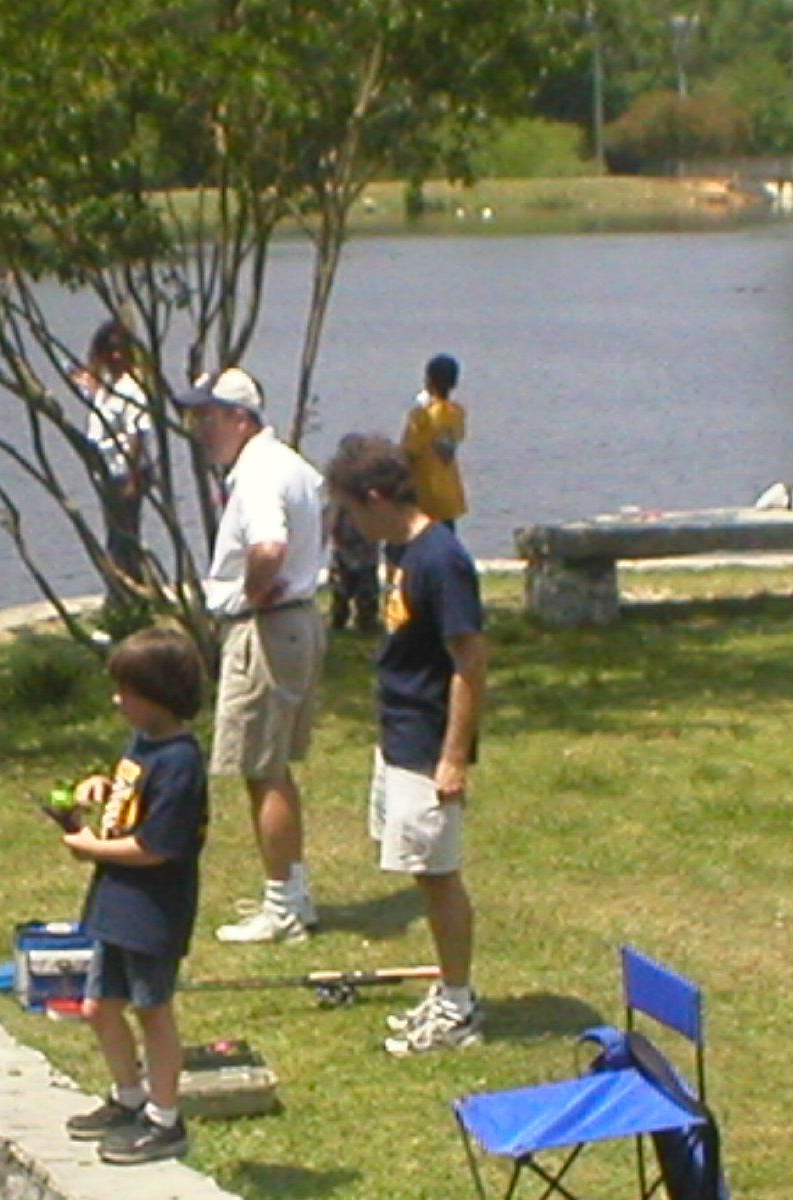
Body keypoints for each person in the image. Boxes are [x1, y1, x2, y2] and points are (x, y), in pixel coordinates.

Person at [324, 434, 488, 1056]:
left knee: (437, 872)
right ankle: (448, 988)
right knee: (421, 871)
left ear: (374, 498)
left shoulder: (440, 558)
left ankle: (458, 1005)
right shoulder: (407, 553)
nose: (351, 526)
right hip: (398, 735)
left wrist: (451, 756)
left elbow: (470, 659)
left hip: (426, 741)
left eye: (352, 512)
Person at [175, 367, 326, 944]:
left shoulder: (258, 475)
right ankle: (292, 890)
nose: (200, 430)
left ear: (240, 417)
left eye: (208, 417)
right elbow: (323, 509)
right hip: (297, 621)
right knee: (273, 765)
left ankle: (282, 904)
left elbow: (269, 545)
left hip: (266, 626)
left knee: (261, 769)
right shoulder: (290, 464)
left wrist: (258, 587)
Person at [59, 627, 207, 1165]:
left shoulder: (181, 762)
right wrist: (102, 786)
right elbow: (131, 801)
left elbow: (154, 847)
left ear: (160, 693)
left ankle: (165, 1120)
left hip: (153, 908)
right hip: (115, 902)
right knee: (99, 1007)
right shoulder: (143, 743)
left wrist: (92, 847)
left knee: (153, 1010)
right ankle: (128, 1098)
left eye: (127, 690)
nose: (117, 699)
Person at [73, 319, 153, 592]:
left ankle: (129, 594)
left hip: (125, 472)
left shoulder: (132, 388)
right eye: (110, 350)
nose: (116, 356)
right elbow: (86, 386)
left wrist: (131, 479)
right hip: (107, 471)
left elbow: (138, 434)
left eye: (121, 350)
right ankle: (123, 593)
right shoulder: (106, 386)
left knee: (124, 540)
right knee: (116, 537)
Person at [402, 353, 467, 530]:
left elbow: (409, 452)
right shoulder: (458, 413)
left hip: (425, 496)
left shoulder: (422, 416)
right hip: (449, 495)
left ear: (428, 380)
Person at [327, 501, 381, 634]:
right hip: (345, 547)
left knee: (366, 590)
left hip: (366, 547)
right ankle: (339, 621)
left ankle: (366, 623)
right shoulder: (342, 497)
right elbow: (333, 518)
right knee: (341, 590)